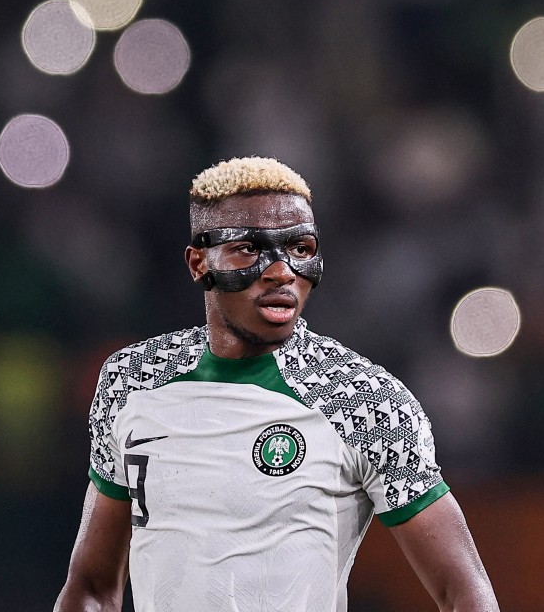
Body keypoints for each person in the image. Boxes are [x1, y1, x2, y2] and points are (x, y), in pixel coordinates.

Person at [54, 156, 500, 612]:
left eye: (300, 248)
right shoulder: (132, 381)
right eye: (249, 249)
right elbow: (91, 588)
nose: (282, 271)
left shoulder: (360, 400)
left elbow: (465, 593)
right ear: (198, 262)